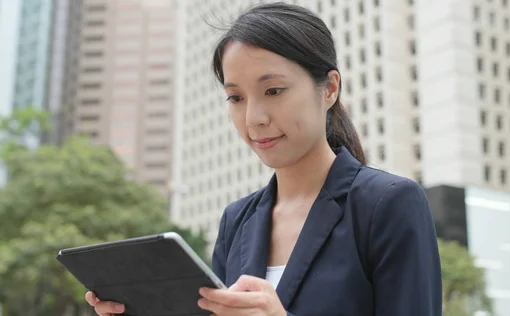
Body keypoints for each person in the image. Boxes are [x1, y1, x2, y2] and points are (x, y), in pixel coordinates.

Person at [85, 2, 442, 315]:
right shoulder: (236, 221)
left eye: (273, 91)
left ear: (330, 88)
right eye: (236, 98)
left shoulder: (388, 205)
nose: (254, 118)